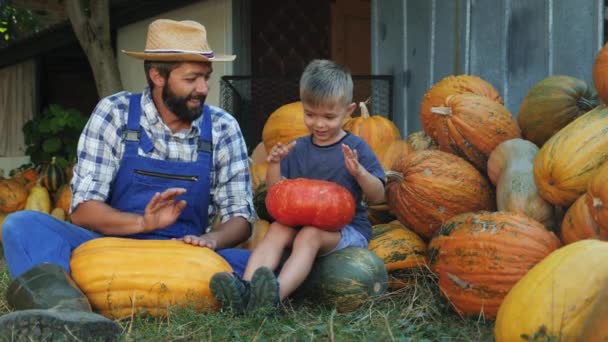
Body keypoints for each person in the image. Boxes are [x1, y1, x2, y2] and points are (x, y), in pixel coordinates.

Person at [0, 19, 254, 339]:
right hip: (107, 255)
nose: (203, 88)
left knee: (265, 263)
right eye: (192, 79)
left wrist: (211, 241)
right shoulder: (115, 113)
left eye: (206, 77)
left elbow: (241, 217)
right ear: (157, 75)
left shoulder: (223, 127)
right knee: (21, 226)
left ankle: (69, 297)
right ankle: (66, 314)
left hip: (184, 259)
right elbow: (83, 208)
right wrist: (143, 224)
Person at [209, 59, 386, 313]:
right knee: (279, 228)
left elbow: (378, 195)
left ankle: (273, 298)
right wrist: (274, 165)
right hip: (300, 224)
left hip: (346, 231)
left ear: (349, 111)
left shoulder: (357, 148)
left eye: (329, 116)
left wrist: (360, 173)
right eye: (310, 114)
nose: (319, 124)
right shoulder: (298, 148)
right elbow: (276, 196)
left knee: (309, 235)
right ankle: (247, 290)